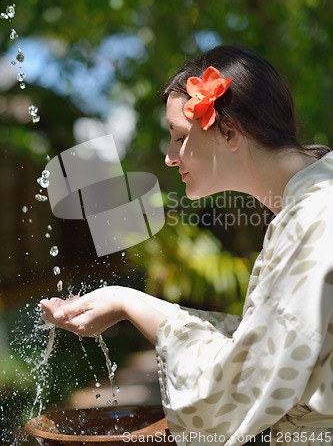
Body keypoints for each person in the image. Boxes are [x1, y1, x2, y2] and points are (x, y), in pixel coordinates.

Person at [40, 45, 333, 446]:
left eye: (179, 137)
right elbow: (265, 341)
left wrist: (132, 304)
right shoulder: (313, 200)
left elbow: (235, 389)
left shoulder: (315, 217)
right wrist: (126, 300)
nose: (169, 157)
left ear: (229, 131)